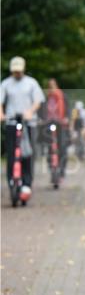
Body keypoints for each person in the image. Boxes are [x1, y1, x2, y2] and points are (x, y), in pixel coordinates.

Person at [1, 56, 45, 199]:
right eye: (15, 71)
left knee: (27, 154)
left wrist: (30, 112)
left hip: (28, 123)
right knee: (12, 155)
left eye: (19, 71)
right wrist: (1, 114)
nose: (17, 74)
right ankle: (12, 182)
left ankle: (27, 183)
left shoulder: (31, 83)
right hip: (12, 123)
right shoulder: (6, 84)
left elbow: (38, 100)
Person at [43, 78, 69, 177]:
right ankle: (51, 167)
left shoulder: (62, 96)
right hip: (49, 123)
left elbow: (67, 109)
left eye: (53, 85)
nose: (51, 87)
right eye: (50, 86)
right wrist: (42, 119)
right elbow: (43, 110)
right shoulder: (47, 97)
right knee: (50, 146)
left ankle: (62, 169)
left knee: (62, 146)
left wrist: (66, 118)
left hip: (60, 123)